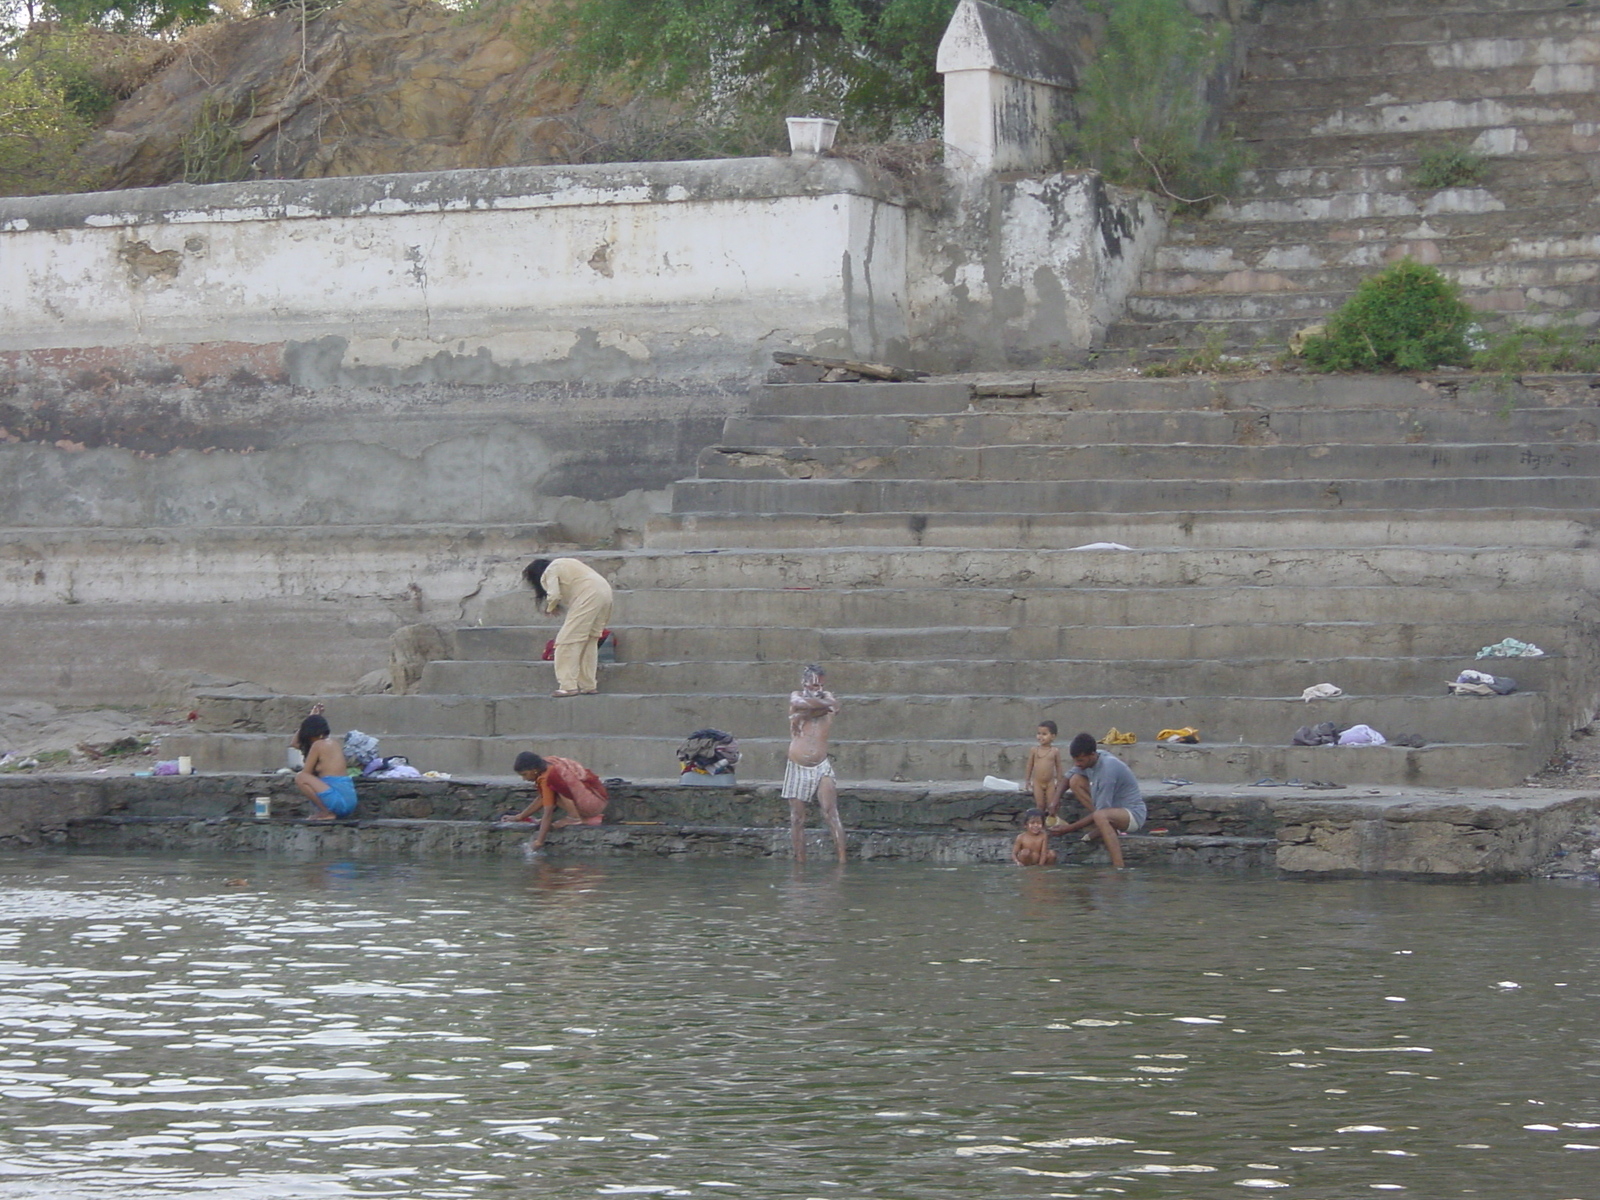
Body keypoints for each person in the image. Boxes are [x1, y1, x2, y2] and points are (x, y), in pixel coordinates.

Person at [1049, 731, 1146, 870]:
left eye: (1081, 761)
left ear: (1092, 755)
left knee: (1101, 816)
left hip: (1132, 815)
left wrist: (1068, 829)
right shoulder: (1091, 757)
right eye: (1075, 760)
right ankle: (1105, 828)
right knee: (1075, 780)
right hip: (1111, 810)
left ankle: (1119, 867)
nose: (1077, 764)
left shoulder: (1108, 769)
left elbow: (1100, 812)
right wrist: (1055, 801)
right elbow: (1066, 778)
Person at [524, 556, 614, 698]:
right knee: (589, 640)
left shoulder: (551, 570)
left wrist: (550, 607)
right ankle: (588, 685)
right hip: (606, 593)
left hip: (589, 595)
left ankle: (567, 686)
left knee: (566, 641)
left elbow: (553, 594)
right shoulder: (568, 562)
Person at [784, 664, 847, 864]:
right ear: (804, 684)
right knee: (797, 819)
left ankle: (842, 863)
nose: (816, 689)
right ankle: (799, 864)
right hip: (797, 765)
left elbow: (835, 706)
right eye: (812, 685)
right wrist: (812, 708)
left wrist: (804, 714)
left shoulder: (828, 698)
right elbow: (799, 703)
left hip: (822, 765)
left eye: (819, 685)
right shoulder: (796, 697)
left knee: (831, 813)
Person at [500, 751, 610, 850]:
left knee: (554, 790)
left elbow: (548, 812)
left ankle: (574, 818)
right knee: (552, 791)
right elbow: (542, 798)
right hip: (598, 797)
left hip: (593, 803)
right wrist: (519, 817)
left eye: (524, 774)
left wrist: (539, 841)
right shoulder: (547, 763)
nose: (524, 779)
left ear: (534, 770)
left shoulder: (548, 777)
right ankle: (578, 816)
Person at [292, 713, 357, 823]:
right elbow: (294, 743)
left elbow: (305, 773)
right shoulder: (333, 743)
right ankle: (327, 811)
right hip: (349, 801)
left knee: (300, 777)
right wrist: (311, 716)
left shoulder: (318, 745)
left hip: (339, 800)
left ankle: (326, 812)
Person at [1022, 720, 1064, 821]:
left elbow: (1058, 767)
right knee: (1040, 805)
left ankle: (1052, 823)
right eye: (1039, 733)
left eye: (1044, 734)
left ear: (1053, 736)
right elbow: (1029, 765)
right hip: (1037, 783)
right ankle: (1040, 824)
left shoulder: (1054, 751)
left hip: (1050, 783)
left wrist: (1059, 781)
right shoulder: (1034, 750)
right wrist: (1027, 780)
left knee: (1051, 805)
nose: (1040, 736)